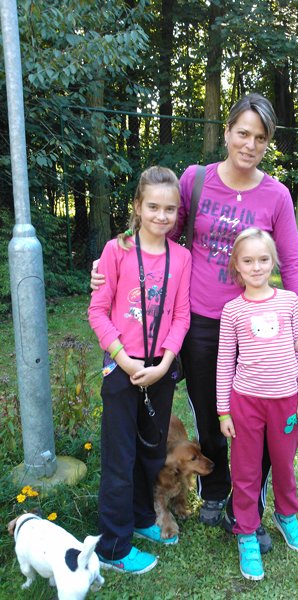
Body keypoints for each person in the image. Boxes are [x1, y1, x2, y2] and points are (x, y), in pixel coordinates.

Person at [91, 93, 298, 554]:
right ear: (227, 131)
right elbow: (160, 234)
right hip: (197, 324)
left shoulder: (276, 195)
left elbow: (291, 262)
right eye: (242, 133)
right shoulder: (195, 180)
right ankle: (215, 491)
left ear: (268, 142)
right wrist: (112, 257)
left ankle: (246, 505)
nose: (250, 144)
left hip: (254, 326)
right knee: (212, 415)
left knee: (258, 416)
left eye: (260, 137)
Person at [88, 166, 191, 575]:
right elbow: (98, 312)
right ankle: (113, 545)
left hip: (160, 370)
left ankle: (141, 517)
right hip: (121, 368)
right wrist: (125, 359)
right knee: (120, 456)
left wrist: (164, 363)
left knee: (150, 450)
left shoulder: (181, 257)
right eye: (153, 207)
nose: (161, 216)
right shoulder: (116, 251)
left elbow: (181, 316)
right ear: (137, 206)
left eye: (170, 209)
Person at [217, 228, 298, 580]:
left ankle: (286, 514)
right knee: (245, 470)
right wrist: (223, 411)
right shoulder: (232, 311)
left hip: (286, 402)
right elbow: (225, 363)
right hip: (245, 404)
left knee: (284, 465)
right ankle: (246, 532)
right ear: (236, 266)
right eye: (248, 261)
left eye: (263, 259)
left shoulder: (290, 302)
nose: (256, 267)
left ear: (273, 262)